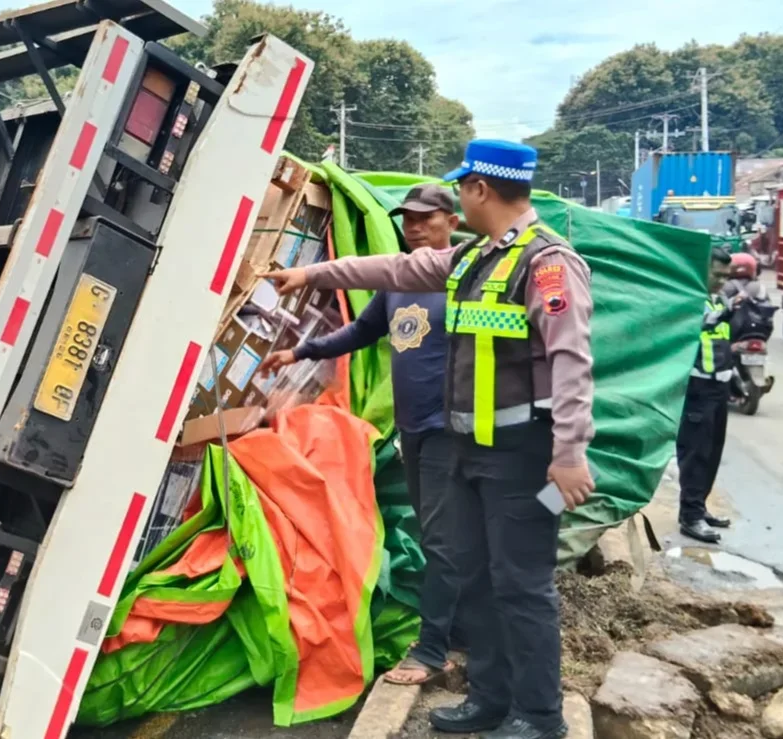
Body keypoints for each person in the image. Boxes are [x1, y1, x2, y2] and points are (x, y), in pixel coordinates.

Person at [264, 139, 595, 739]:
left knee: (522, 587)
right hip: (467, 450)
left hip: (521, 456)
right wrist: (311, 273)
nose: (459, 200)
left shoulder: (546, 264)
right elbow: (389, 270)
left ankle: (540, 716)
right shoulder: (472, 259)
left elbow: (571, 360)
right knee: (476, 577)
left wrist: (570, 453)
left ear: (479, 189)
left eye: (461, 189)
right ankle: (489, 699)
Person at [260, 184, 464, 686]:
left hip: (450, 431)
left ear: (453, 222)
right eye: (408, 219)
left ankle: (433, 651)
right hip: (413, 432)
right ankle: (460, 632)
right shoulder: (398, 282)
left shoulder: (465, 277)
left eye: (426, 218)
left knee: (443, 539)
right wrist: (300, 352)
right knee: (437, 535)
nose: (415, 227)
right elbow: (361, 332)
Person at [676, 249, 736, 544]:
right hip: (697, 389)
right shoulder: (690, 299)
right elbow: (694, 326)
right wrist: (724, 312)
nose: (722, 281)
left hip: (719, 386)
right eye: (717, 275)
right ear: (703, 270)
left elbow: (723, 341)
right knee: (696, 454)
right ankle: (690, 515)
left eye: (726, 276)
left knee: (712, 452)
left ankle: (699, 507)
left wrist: (734, 377)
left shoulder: (720, 300)